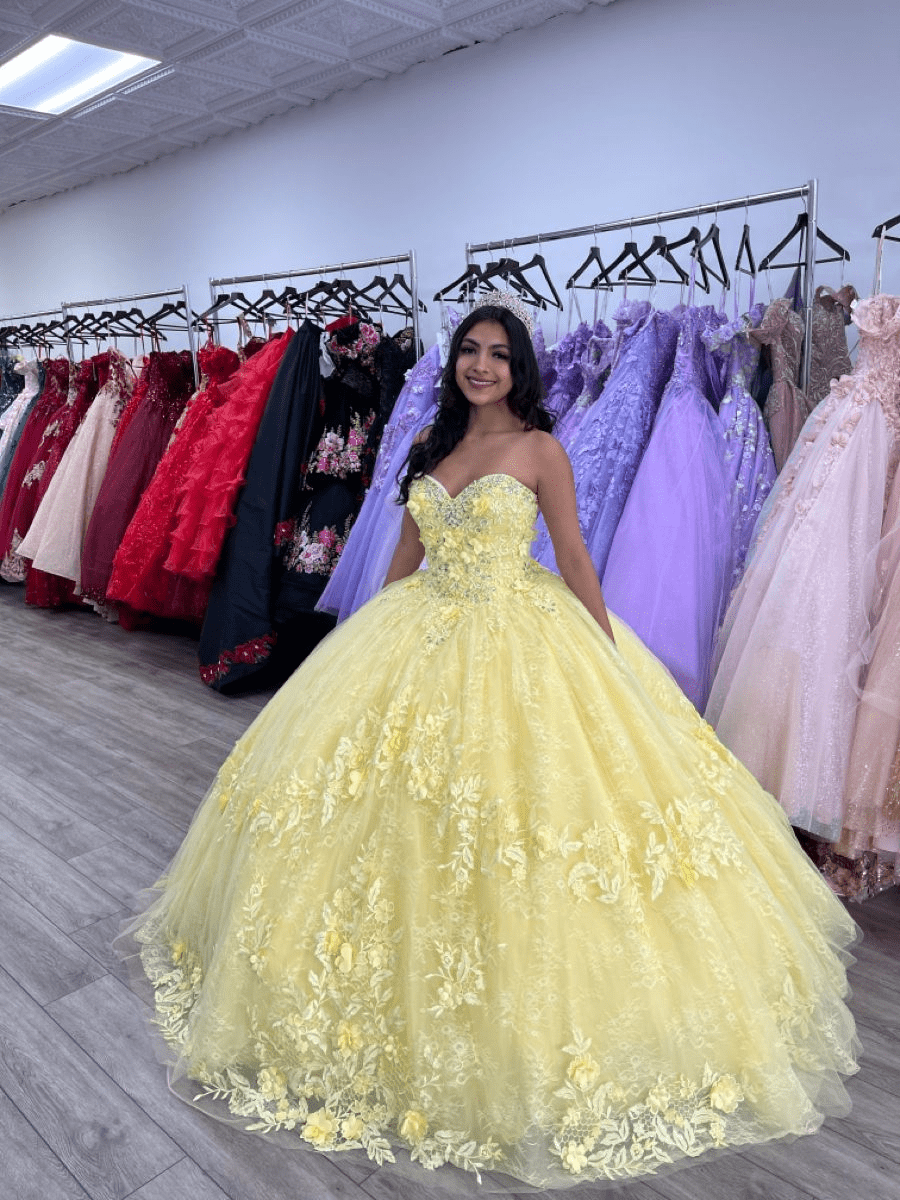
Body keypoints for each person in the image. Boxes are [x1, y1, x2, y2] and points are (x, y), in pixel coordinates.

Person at [122, 294, 858, 1192]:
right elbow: (404, 557)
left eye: (498, 355)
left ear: (520, 369)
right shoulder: (435, 451)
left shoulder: (540, 450)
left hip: (523, 631)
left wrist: (607, 647)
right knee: (379, 816)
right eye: (470, 351)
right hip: (421, 631)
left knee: (536, 818)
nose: (480, 366)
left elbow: (576, 554)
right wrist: (367, 637)